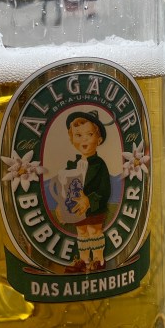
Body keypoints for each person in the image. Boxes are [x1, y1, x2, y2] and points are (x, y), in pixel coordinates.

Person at [61, 110, 111, 273]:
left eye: (89, 134)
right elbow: (67, 188)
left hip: (95, 207)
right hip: (77, 208)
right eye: (78, 135)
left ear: (99, 140)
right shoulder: (72, 165)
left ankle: (98, 260)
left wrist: (89, 200)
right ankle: (84, 260)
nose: (84, 139)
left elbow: (105, 189)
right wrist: (63, 205)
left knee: (94, 231)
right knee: (81, 232)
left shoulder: (100, 165)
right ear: (72, 139)